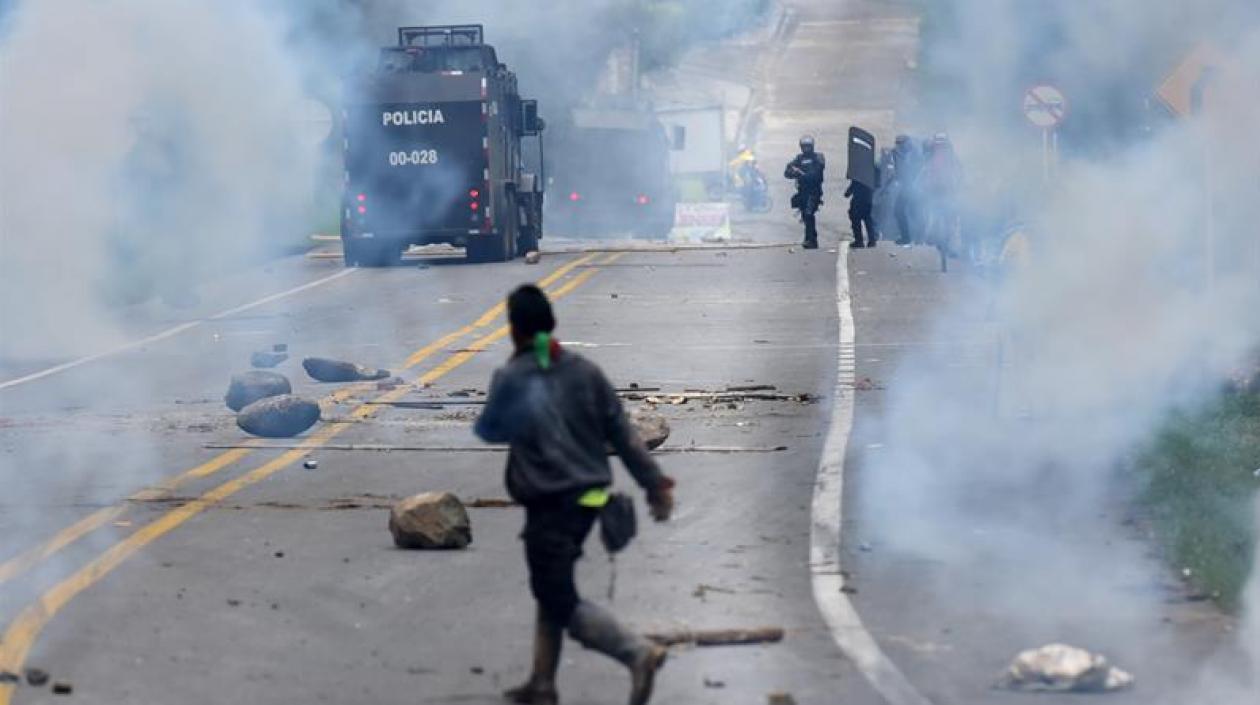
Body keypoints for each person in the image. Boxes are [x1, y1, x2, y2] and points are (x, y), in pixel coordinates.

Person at [475, 284, 677, 705]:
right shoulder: (586, 372)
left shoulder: (513, 377)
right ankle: (542, 683)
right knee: (552, 584)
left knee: (557, 595)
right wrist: (655, 485)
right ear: (550, 324)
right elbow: (623, 435)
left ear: (514, 329)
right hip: (590, 499)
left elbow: (488, 430)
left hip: (553, 502)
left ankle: (637, 653)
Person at [784, 134, 826, 249]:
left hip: (814, 191)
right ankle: (810, 238)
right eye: (804, 146)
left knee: (809, 214)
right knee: (805, 215)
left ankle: (810, 239)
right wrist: (793, 172)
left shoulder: (818, 157)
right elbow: (787, 172)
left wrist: (802, 174)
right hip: (802, 192)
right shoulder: (799, 158)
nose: (806, 149)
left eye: (808, 146)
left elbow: (816, 174)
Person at [890, 134, 922, 245]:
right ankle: (913, 237)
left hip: (911, 188)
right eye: (897, 143)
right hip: (909, 188)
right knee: (910, 212)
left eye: (900, 143)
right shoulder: (901, 153)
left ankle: (908, 237)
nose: (898, 145)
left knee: (900, 211)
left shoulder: (911, 154)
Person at [844, 178, 877, 248]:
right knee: (867, 218)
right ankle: (872, 239)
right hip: (868, 196)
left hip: (858, 198)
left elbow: (855, 183)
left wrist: (848, 192)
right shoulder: (870, 172)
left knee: (855, 218)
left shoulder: (858, 173)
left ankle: (859, 241)